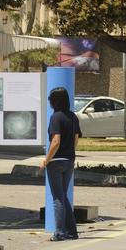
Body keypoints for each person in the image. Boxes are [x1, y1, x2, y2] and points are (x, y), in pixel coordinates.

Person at [40, 86, 81, 241]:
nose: (50, 101)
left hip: (56, 162)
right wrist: (69, 153)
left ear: (55, 101)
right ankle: (72, 231)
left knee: (57, 198)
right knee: (63, 196)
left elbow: (55, 141)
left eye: (51, 99)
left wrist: (46, 160)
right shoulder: (73, 117)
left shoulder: (56, 117)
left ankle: (59, 232)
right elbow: (76, 139)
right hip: (69, 160)